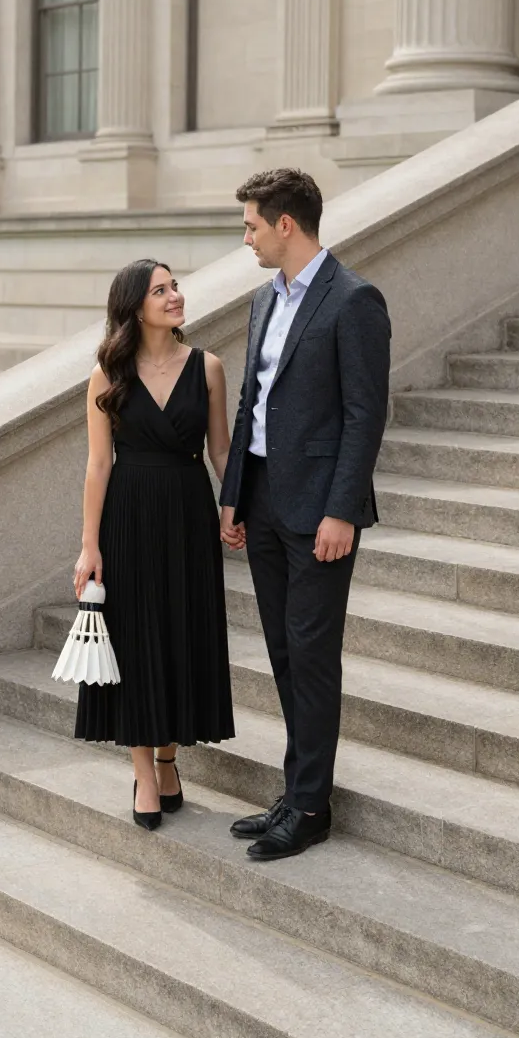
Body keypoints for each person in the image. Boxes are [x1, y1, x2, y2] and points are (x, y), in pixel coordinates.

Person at [219, 167, 391, 861]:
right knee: (285, 653)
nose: (248, 240)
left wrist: (342, 511)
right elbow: (249, 403)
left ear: (285, 224)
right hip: (261, 503)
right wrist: (232, 494)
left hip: (320, 512)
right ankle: (294, 791)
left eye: (251, 226)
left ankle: (312, 807)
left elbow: (365, 414)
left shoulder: (354, 301)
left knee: (313, 657)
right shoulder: (264, 301)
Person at [74, 259, 236, 829]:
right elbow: (98, 465)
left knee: (182, 634)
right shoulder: (107, 375)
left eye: (175, 287)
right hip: (130, 518)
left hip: (189, 514)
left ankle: (169, 757)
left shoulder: (208, 367)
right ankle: (144, 770)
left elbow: (221, 451)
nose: (175, 297)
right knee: (137, 640)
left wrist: (232, 505)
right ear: (134, 307)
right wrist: (89, 546)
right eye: (160, 290)